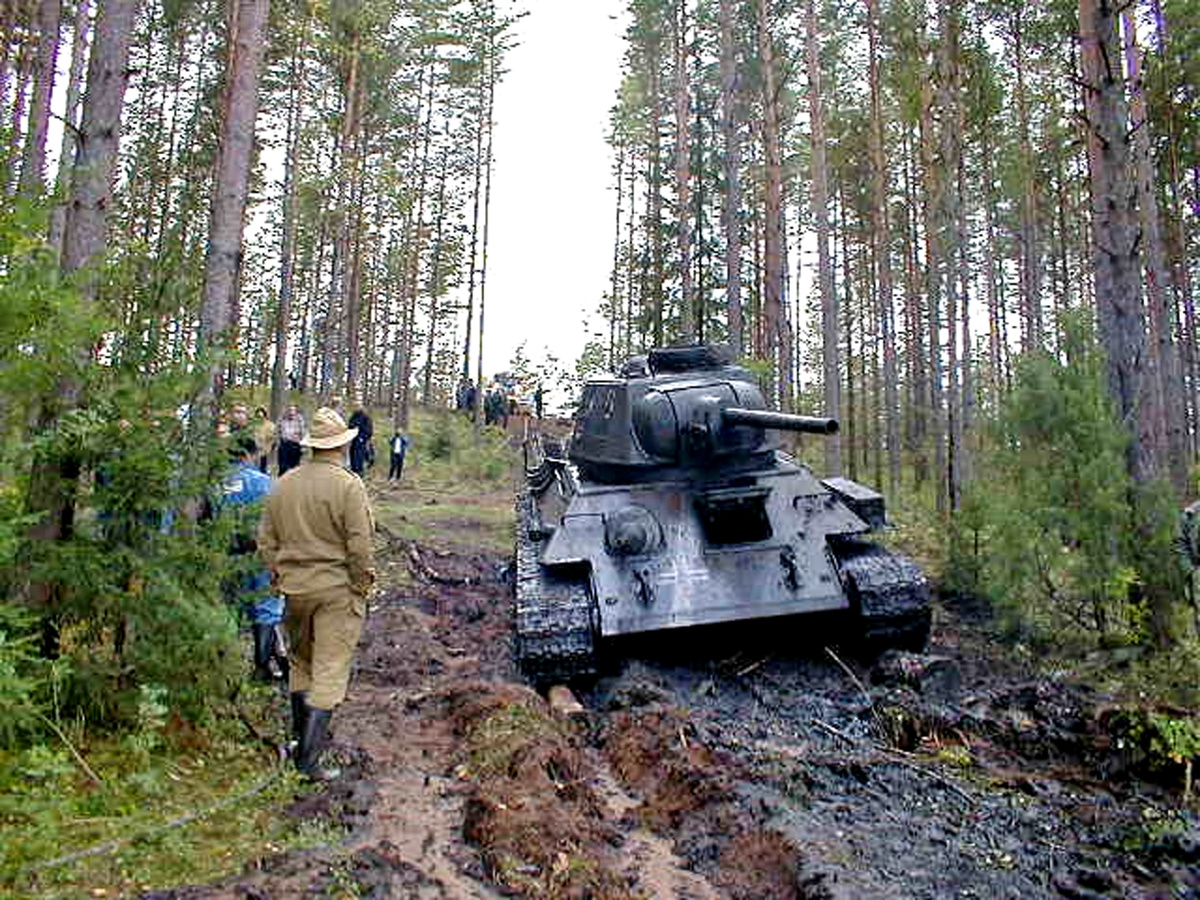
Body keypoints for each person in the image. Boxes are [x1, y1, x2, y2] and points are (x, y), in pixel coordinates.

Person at [258, 407, 375, 780]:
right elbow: (360, 546)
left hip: (294, 591)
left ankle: (298, 740)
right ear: (341, 445)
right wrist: (362, 585)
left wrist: (279, 577)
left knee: (300, 664)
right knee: (329, 670)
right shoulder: (349, 486)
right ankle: (308, 763)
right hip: (336, 592)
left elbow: (266, 541)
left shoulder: (284, 484)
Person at [221, 434, 287, 682]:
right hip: (260, 553)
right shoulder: (263, 483)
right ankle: (261, 667)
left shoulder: (214, 484)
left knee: (230, 607)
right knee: (266, 608)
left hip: (226, 553)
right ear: (249, 455)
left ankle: (224, 666)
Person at [277, 404, 305, 475]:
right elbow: (278, 431)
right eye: (289, 410)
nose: (291, 412)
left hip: (295, 445)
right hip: (284, 444)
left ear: (296, 412)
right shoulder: (282, 419)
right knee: (283, 466)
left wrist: (302, 446)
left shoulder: (299, 420)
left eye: (293, 410)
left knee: (294, 467)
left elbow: (302, 433)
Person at [347, 407, 374, 477]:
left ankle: (359, 472)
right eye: (355, 406)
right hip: (353, 439)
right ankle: (353, 471)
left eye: (358, 405)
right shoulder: (353, 416)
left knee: (360, 457)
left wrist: (362, 437)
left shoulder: (366, 418)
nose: (356, 407)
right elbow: (350, 426)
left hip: (362, 441)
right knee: (353, 456)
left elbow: (369, 430)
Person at [253, 406, 276, 474]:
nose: (260, 419)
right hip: (255, 450)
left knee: (264, 467)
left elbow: (272, 436)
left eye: (261, 417)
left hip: (266, 449)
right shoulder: (254, 425)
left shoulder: (270, 425)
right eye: (258, 417)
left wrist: (267, 441)